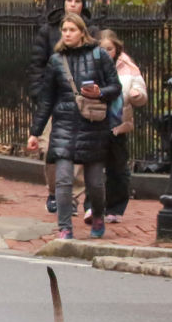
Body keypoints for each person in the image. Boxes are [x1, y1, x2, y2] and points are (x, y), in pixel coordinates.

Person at [27, 13, 121, 239]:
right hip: (64, 125)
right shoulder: (56, 60)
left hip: (93, 126)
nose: (67, 34)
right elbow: (46, 99)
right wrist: (35, 133)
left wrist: (99, 92)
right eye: (64, 30)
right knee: (63, 180)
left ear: (82, 32)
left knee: (95, 183)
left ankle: (97, 215)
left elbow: (115, 87)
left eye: (72, 30)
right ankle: (65, 227)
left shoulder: (99, 55)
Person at [27, 0, 98, 214]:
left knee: (77, 150)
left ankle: (70, 196)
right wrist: (39, 93)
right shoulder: (48, 30)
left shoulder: (92, 32)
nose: (73, 5)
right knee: (51, 148)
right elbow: (37, 64)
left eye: (78, 1)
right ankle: (54, 191)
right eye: (69, 0)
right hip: (54, 100)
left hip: (81, 101)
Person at [82, 29, 148, 223]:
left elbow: (141, 93)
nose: (106, 53)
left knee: (117, 169)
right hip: (95, 122)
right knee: (93, 167)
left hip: (118, 124)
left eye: (110, 49)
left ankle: (115, 208)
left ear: (117, 49)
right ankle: (91, 207)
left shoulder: (128, 67)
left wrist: (137, 95)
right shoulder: (89, 65)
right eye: (102, 49)